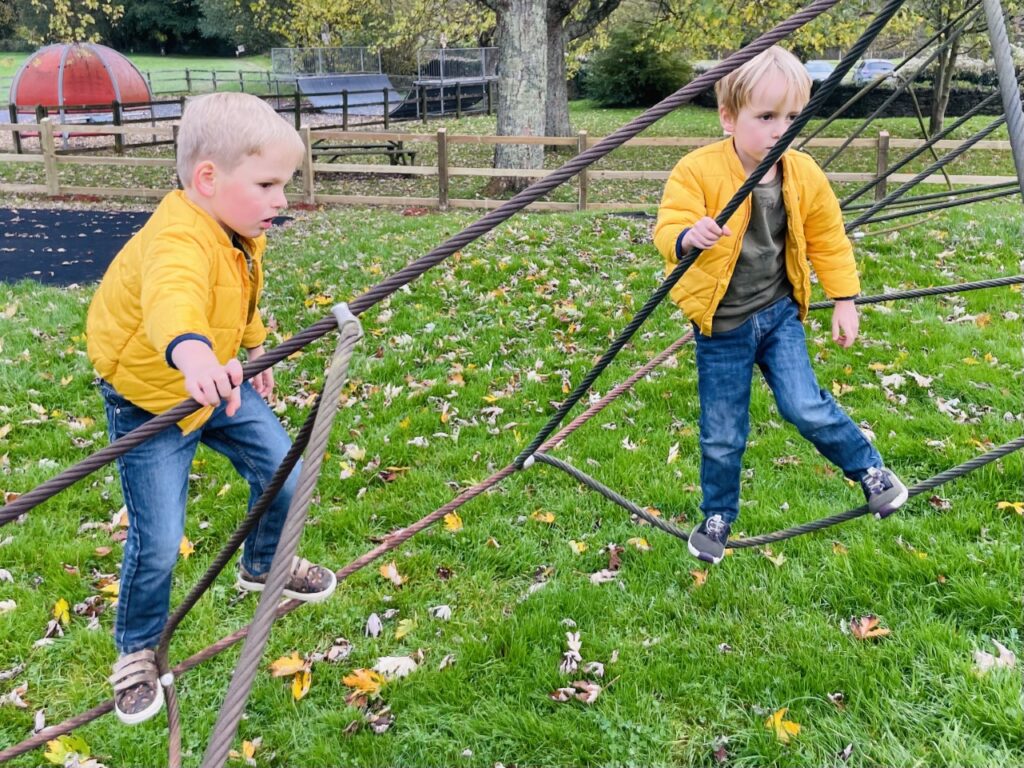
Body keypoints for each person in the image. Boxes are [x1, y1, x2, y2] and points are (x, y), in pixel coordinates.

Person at [86, 92, 336, 725]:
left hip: (220, 382)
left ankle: (263, 567)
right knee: (161, 540)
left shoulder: (241, 228)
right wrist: (195, 357)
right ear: (208, 178)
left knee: (284, 468)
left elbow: (241, 296)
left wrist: (255, 351)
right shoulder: (175, 237)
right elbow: (175, 299)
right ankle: (138, 648)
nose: (282, 199)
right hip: (154, 399)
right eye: (269, 184)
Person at [653, 46, 907, 566]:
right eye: (766, 117)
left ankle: (870, 471)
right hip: (721, 325)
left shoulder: (802, 173)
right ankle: (718, 515)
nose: (780, 130)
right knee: (723, 430)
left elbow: (828, 238)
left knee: (804, 404)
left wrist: (844, 299)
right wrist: (685, 236)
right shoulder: (698, 170)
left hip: (778, 314)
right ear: (728, 117)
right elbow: (668, 226)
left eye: (792, 117)